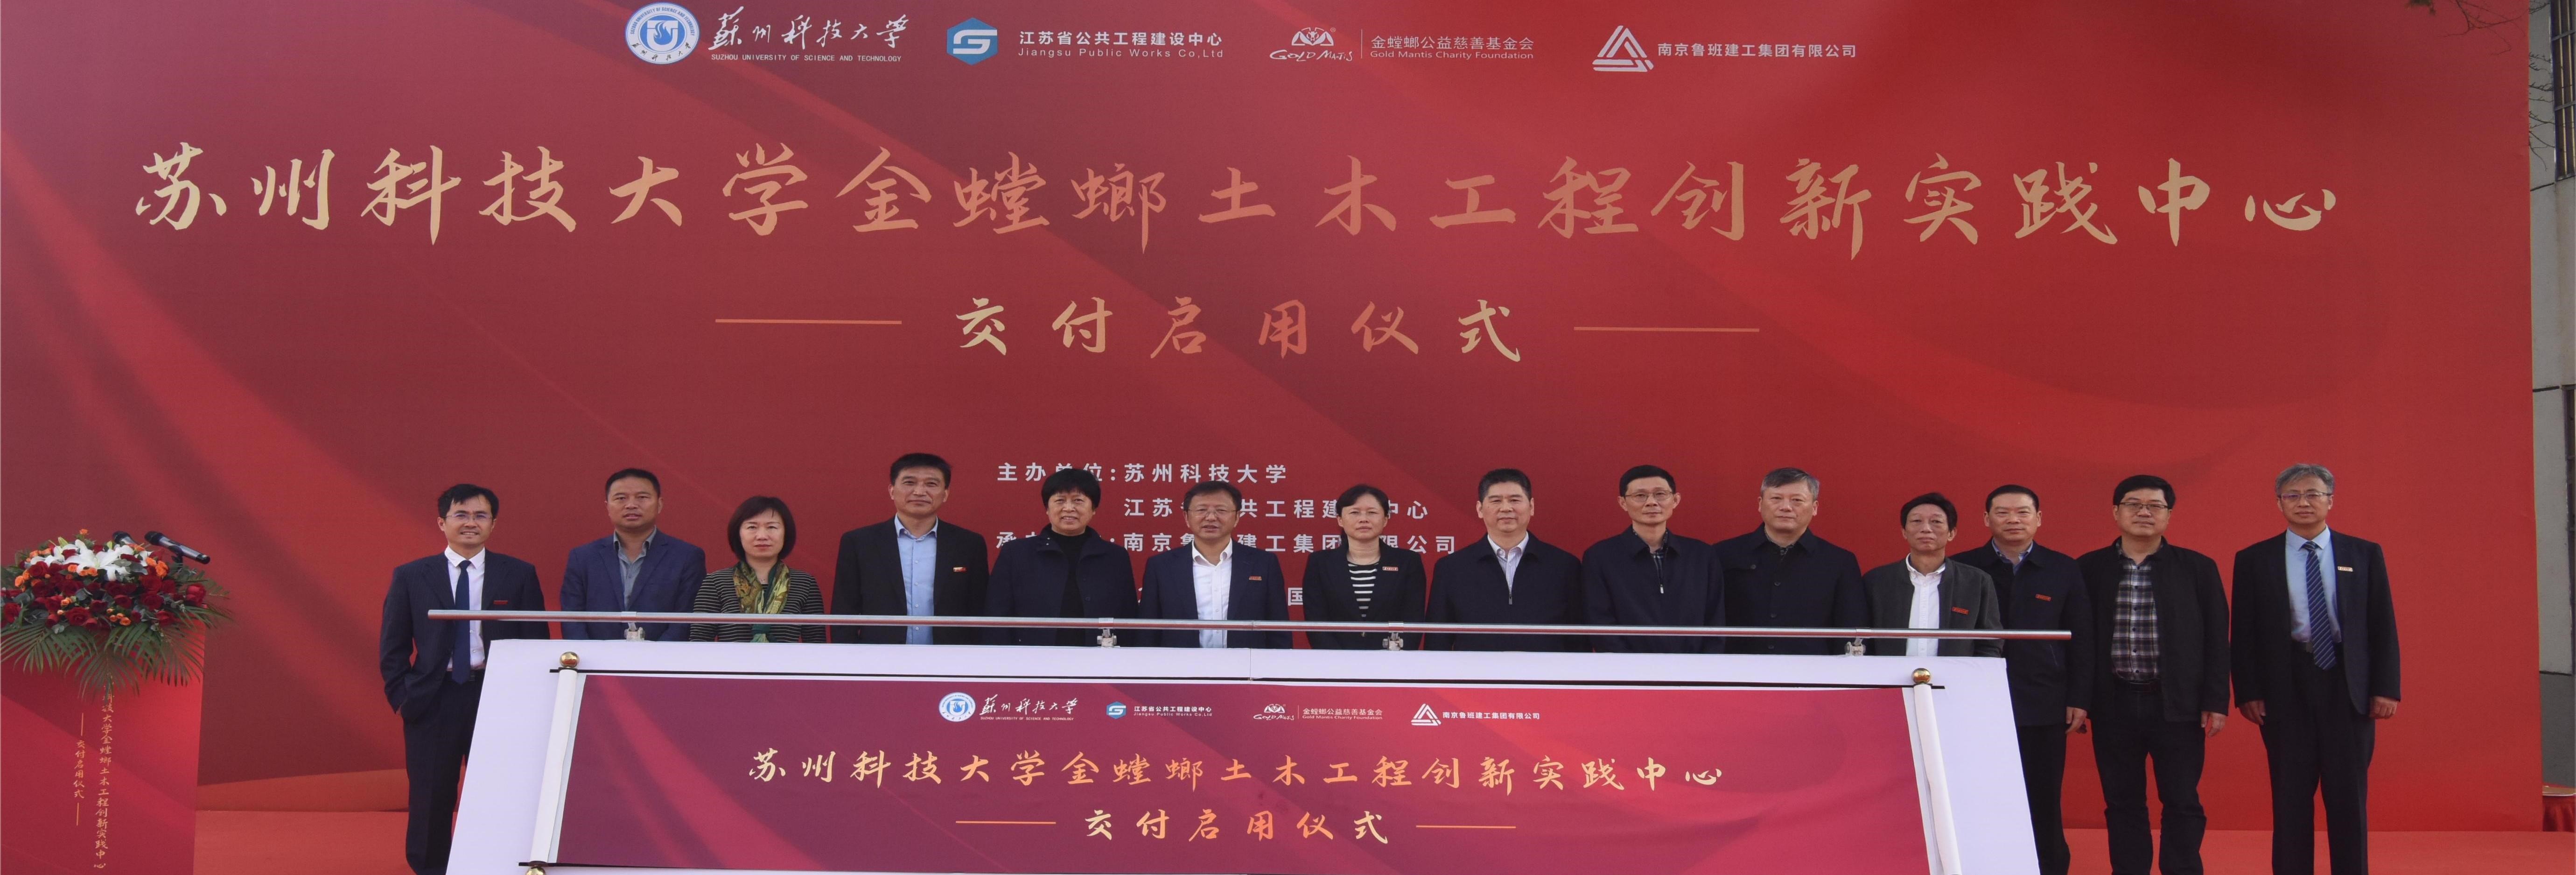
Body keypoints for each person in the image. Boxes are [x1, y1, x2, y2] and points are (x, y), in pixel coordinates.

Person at [2231, 464, 2400, 875]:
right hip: (2286, 685)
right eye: (2293, 495)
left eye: (2313, 494)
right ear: (2279, 503)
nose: (2303, 503)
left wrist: (2386, 687)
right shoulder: (2254, 559)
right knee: (2290, 799)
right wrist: (2249, 691)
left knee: (2349, 799)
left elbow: (2382, 624)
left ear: (2330, 501)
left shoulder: (2364, 553)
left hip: (2348, 684)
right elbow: (2244, 632)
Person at [377, 484, 549, 875]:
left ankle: (494, 865)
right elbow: (393, 644)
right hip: (433, 697)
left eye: (480, 516)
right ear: (442, 522)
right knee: (431, 794)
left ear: (493, 524)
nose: (471, 523)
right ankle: (430, 868)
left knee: (499, 792)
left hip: (497, 696)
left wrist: (529, 701)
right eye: (461, 515)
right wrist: (403, 696)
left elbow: (536, 640)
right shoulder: (412, 576)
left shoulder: (518, 574)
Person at [2079, 474, 2228, 875]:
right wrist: (2079, 699)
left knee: (2182, 800)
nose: (2144, 512)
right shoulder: (2089, 568)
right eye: (2133, 504)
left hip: (2177, 704)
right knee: (2122, 801)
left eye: (2155, 506)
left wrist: (2216, 701)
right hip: (2113, 703)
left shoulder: (2197, 568)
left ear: (2168, 515)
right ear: (2116, 512)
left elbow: (2218, 638)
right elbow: (2079, 640)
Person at [1948, 484, 2093, 875]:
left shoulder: (2063, 568)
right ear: (1986, 519)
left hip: (2044, 701)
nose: (2013, 520)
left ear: (2039, 519)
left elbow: (2082, 638)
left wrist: (2079, 698)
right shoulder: (1963, 567)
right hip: (1974, 703)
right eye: (2003, 513)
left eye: (2023, 512)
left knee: (2043, 797)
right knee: (1978, 796)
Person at [830, 453, 991, 645]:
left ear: (946, 494)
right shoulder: (859, 543)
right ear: (892, 491)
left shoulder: (969, 544)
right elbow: (844, 612)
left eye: (931, 484)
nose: (920, 492)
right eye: (909, 483)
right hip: (878, 657)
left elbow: (980, 611)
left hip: (950, 657)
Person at [1713, 467, 1869, 654]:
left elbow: (1851, 629)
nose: (1786, 507)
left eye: (1797, 500)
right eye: (1776, 498)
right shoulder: (1724, 554)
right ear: (1760, 504)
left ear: (1815, 508)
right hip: (1737, 666)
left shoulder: (1839, 562)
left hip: (1814, 668)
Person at [1425, 468, 1584, 651]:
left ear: (1532, 507)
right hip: (1475, 669)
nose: (1506, 508)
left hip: (1546, 669)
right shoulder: (1452, 568)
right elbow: (1437, 640)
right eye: (1496, 501)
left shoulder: (1564, 566)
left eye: (1515, 500)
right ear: (1480, 509)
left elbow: (1579, 639)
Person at [985, 468, 1139, 645]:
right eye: (1060, 501)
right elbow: (996, 616)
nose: (1069, 508)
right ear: (1047, 508)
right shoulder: (1016, 553)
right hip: (1030, 657)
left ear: (1094, 509)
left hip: (1099, 657)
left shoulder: (1116, 557)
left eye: (1078, 501)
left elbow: (1129, 617)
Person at [1582, 465, 1725, 653]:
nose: (1651, 502)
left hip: (1695, 667)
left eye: (1660, 494)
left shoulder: (1702, 555)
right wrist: (1631, 666)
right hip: (1626, 668)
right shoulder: (1600, 557)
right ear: (1623, 503)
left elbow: (1716, 620)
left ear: (1676, 500)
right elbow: (1600, 623)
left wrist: (1703, 664)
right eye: (1640, 496)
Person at [560, 468, 708, 642]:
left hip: (665, 656)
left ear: (659, 505)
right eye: (621, 498)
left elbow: (686, 619)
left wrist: (656, 655)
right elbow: (572, 619)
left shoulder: (687, 557)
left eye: (642, 497)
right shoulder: (583, 557)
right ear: (608, 507)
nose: (631, 505)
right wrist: (591, 654)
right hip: (595, 657)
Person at [1138, 481, 1292, 649]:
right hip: (1180, 664)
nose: (1211, 517)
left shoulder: (1263, 563)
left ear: (1237, 517)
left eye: (1221, 510)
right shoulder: (1162, 566)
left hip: (1246, 663)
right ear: (1187, 517)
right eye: (1201, 510)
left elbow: (1279, 630)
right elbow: (1147, 632)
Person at [1862, 493, 2002, 657]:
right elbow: (1863, 639)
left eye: (1936, 522)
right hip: (1890, 673)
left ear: (1952, 533)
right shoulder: (1877, 582)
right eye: (1917, 521)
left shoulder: (1976, 582)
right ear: (1904, 532)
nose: (1926, 529)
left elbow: (1990, 642)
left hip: (1955, 673)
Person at [1302, 484, 1428, 649]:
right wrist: (1337, 659)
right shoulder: (1320, 563)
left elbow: (1413, 619)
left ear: (1386, 519)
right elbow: (1316, 621)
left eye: (1372, 513)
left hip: (1393, 659)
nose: (1364, 519)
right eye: (1355, 512)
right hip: (1335, 660)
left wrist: (1396, 657)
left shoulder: (1407, 562)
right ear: (1340, 520)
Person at [689, 496, 826, 642]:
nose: (762, 536)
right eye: (752, 527)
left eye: (772, 527)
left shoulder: (805, 584)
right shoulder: (716, 583)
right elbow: (699, 642)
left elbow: (817, 644)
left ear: (786, 533)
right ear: (738, 533)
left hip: (787, 659)